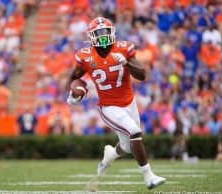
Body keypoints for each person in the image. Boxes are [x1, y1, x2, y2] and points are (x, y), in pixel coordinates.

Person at [66, 17, 165, 189]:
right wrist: (73, 94)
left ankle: (110, 154)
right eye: (98, 33)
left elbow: (142, 75)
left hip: (129, 102)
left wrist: (126, 63)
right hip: (109, 106)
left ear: (112, 33)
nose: (103, 36)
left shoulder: (124, 48)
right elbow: (75, 77)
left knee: (127, 147)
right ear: (91, 36)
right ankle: (148, 176)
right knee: (134, 131)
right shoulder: (86, 56)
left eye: (105, 32)